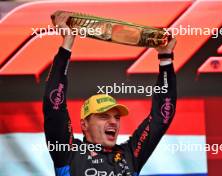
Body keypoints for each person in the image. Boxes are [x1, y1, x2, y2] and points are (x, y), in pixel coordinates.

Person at [43, 12, 177, 176]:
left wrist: (165, 58)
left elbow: (162, 117)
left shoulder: (130, 155)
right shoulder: (68, 153)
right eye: (104, 116)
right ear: (84, 125)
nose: (113, 122)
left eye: (116, 117)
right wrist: (67, 44)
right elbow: (54, 107)